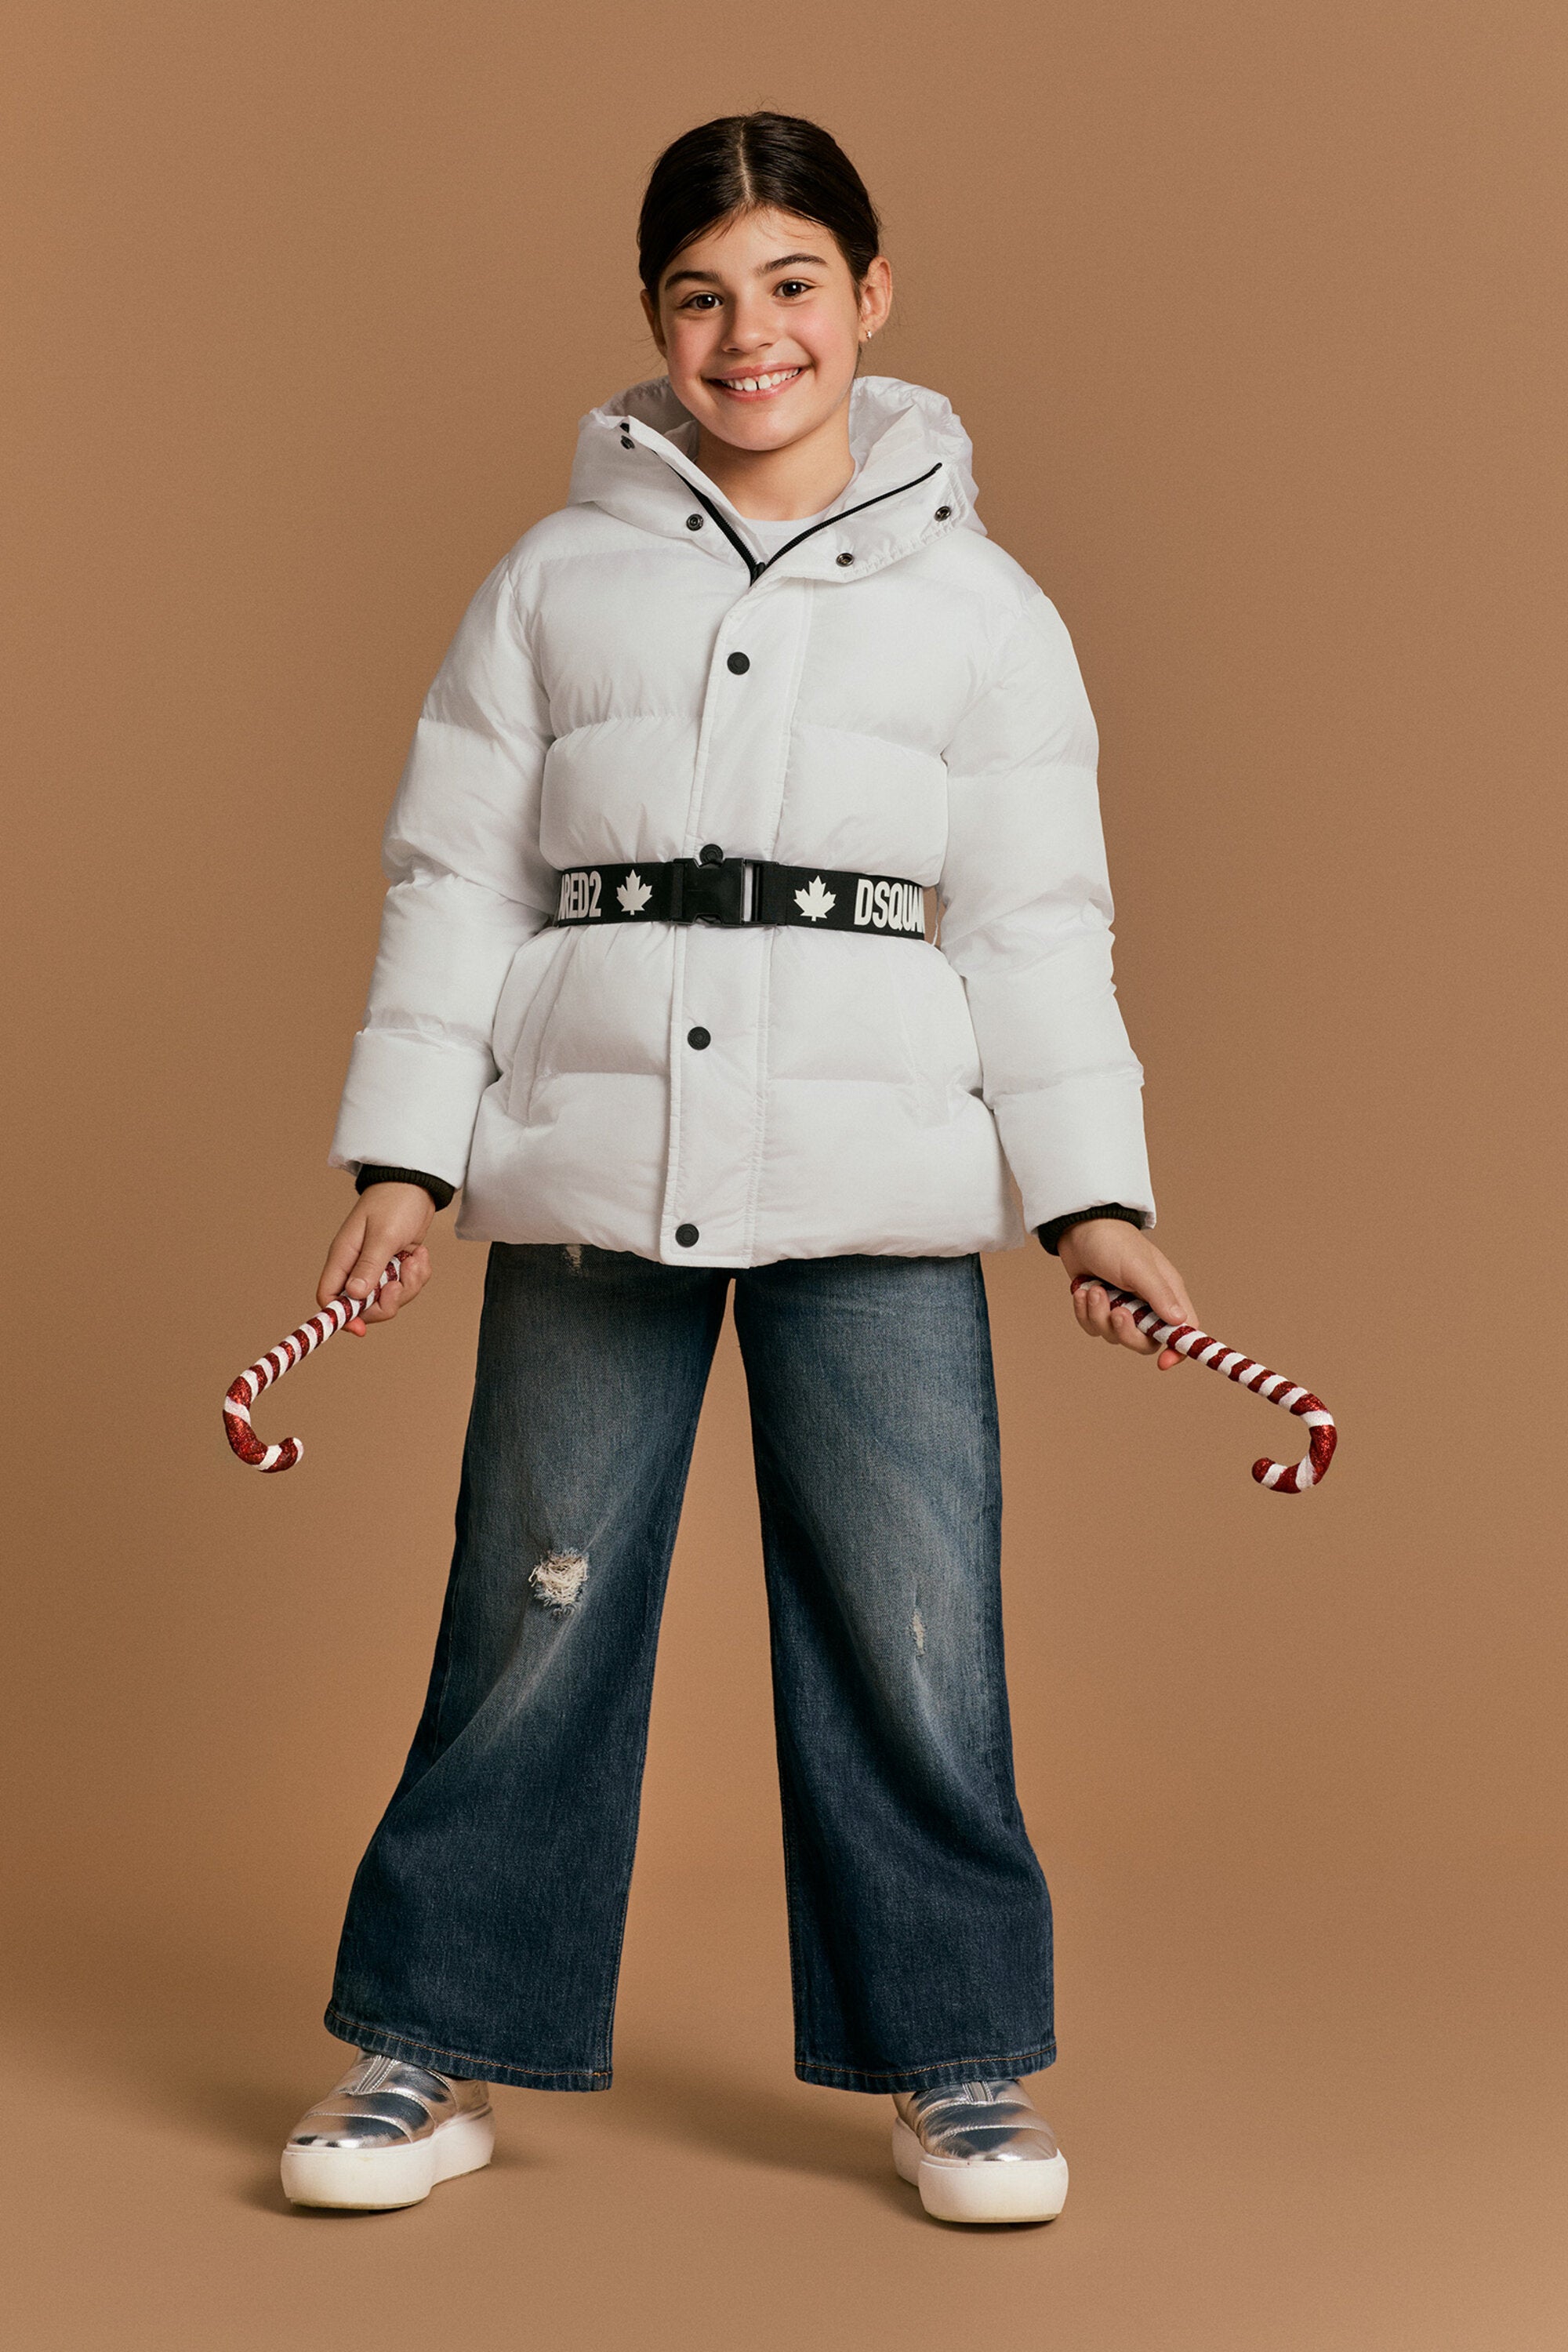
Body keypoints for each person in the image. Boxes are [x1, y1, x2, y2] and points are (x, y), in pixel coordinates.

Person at [280, 111, 1196, 2226]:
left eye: (791, 283)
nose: (747, 333)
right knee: (532, 1606)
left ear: (870, 295)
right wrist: (407, 1157)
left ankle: (956, 2059)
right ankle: (433, 2039)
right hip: (590, 1168)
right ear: (652, 316)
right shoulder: (551, 580)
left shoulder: (986, 611)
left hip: (878, 1186)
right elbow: (456, 878)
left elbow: (1039, 927)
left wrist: (1094, 1200)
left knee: (911, 1624)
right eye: (699, 294)